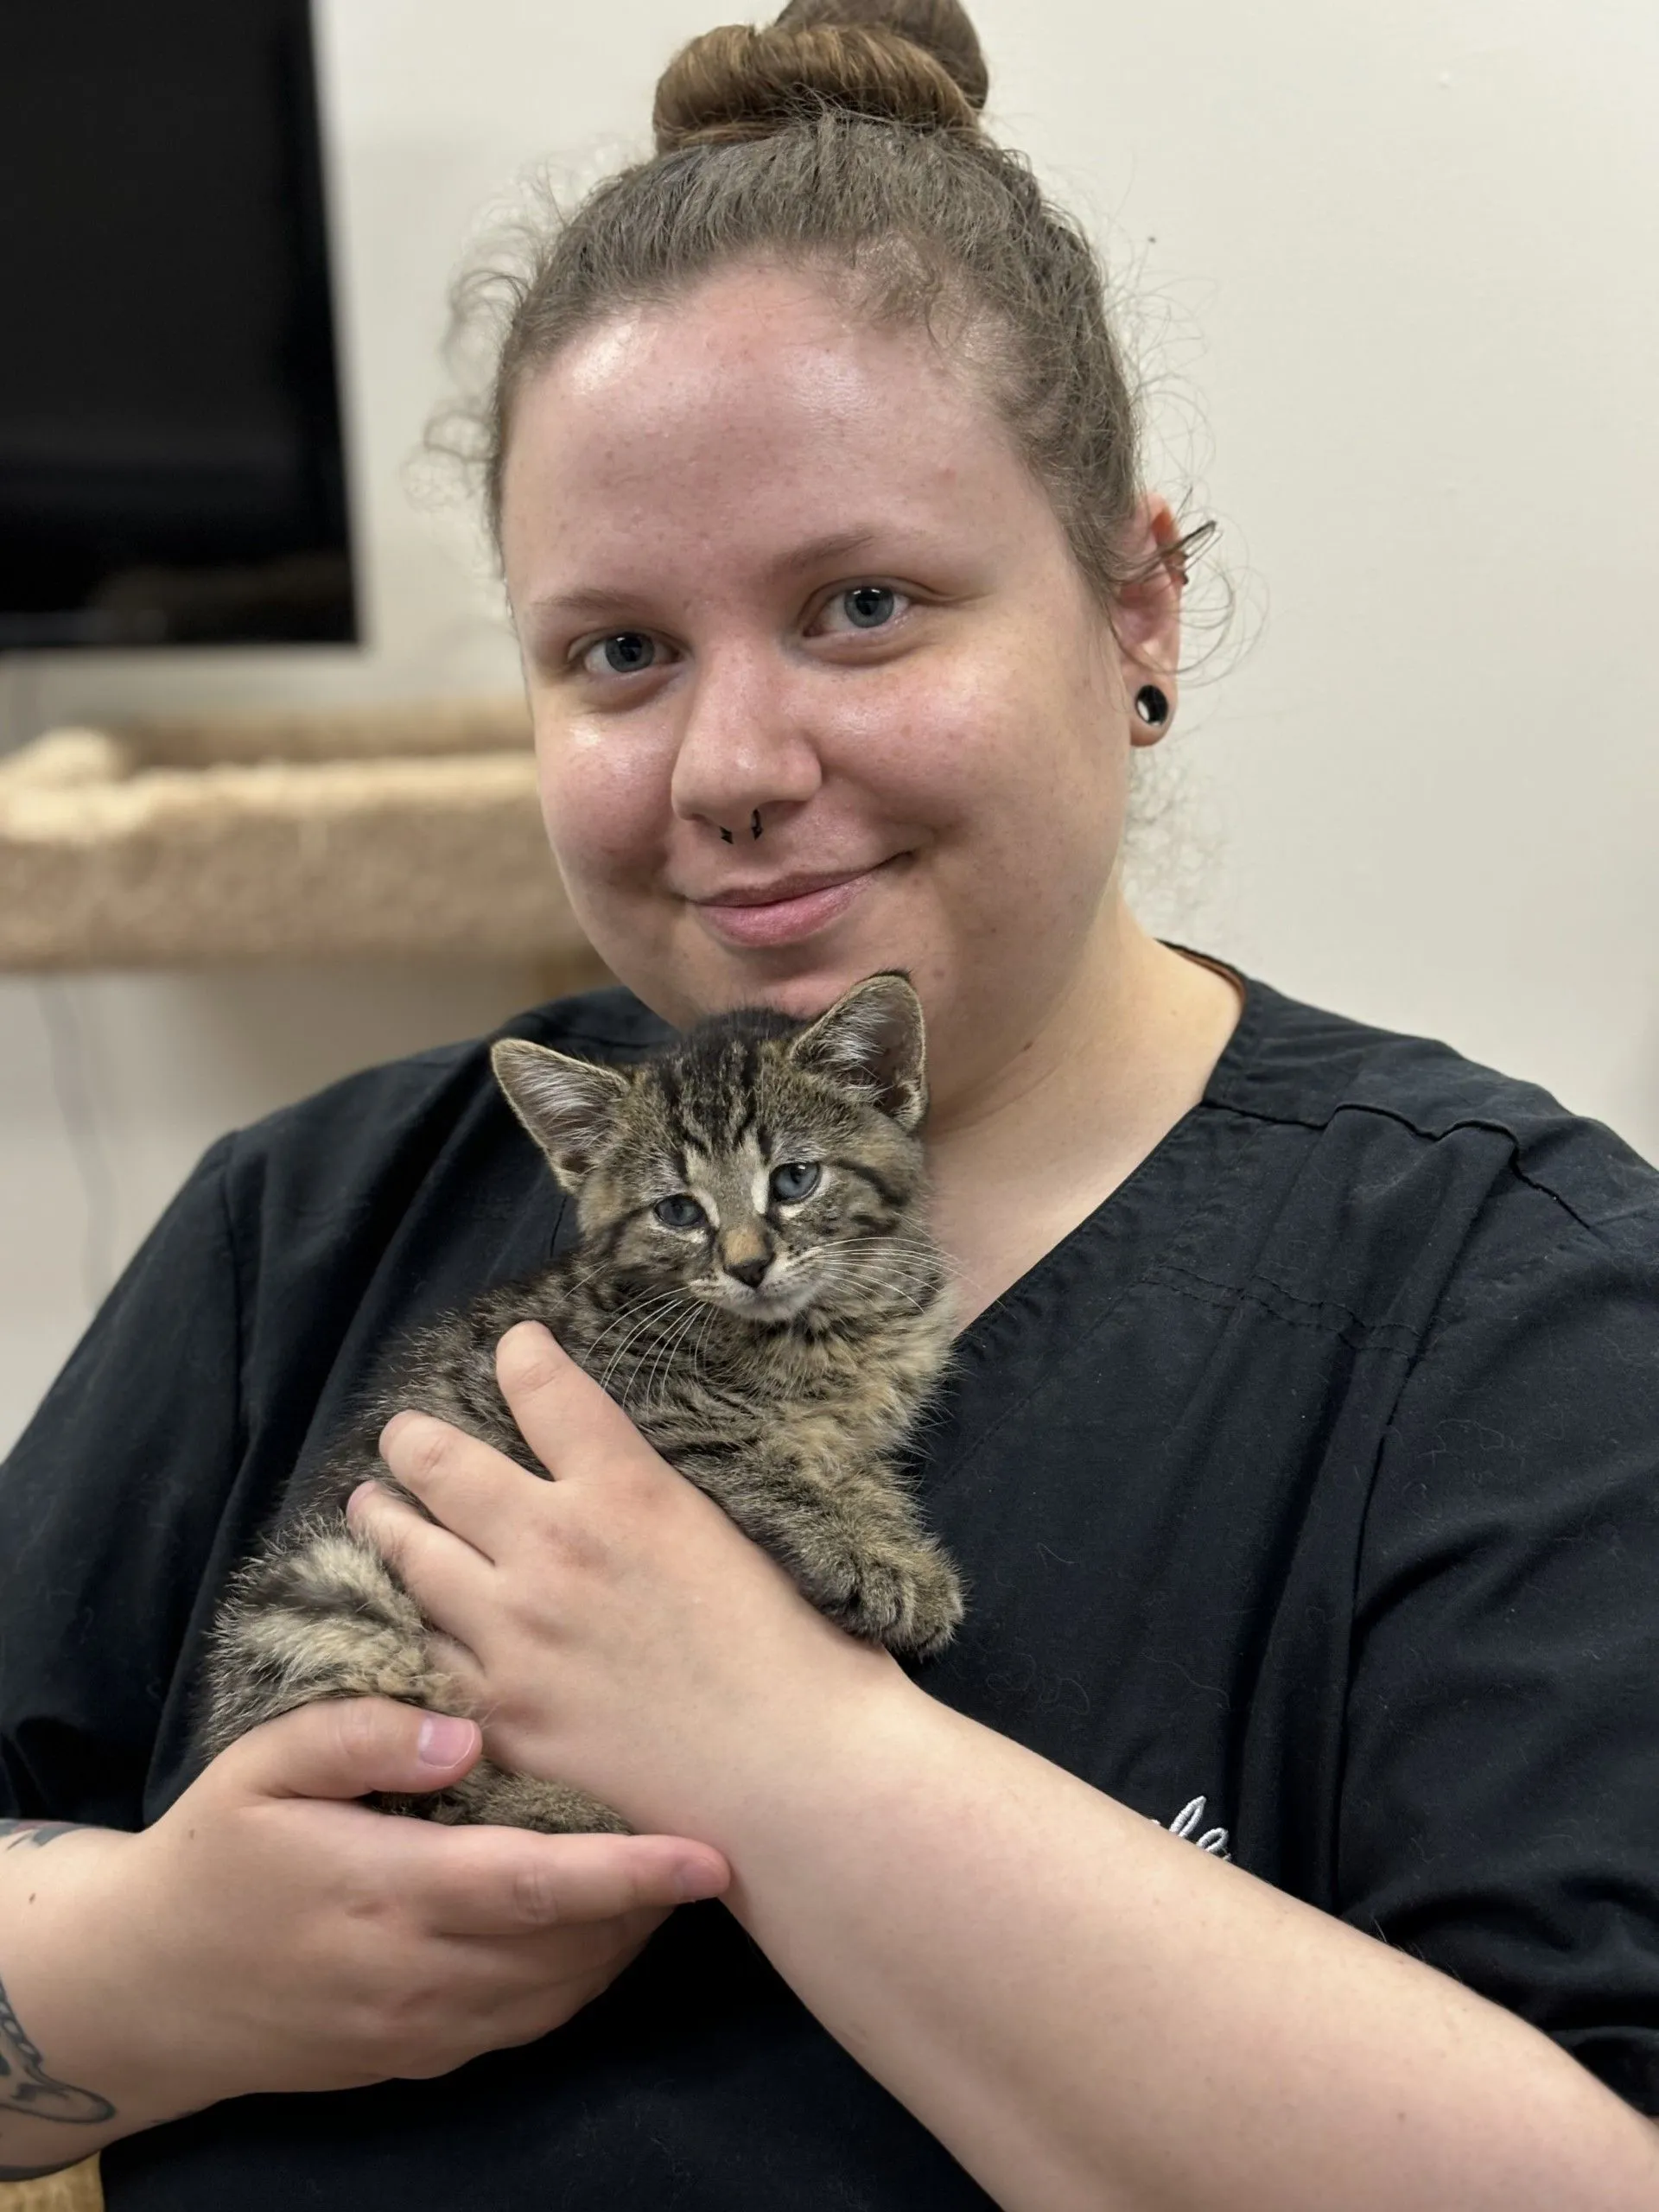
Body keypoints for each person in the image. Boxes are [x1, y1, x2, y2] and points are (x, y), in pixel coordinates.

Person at [3, 3, 1657, 2204]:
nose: (731, 767)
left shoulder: (1504, 1304)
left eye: (862, 605)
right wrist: (143, 1965)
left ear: (1137, 600)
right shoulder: (305, 1222)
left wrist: (789, 1757)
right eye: (617, 651)